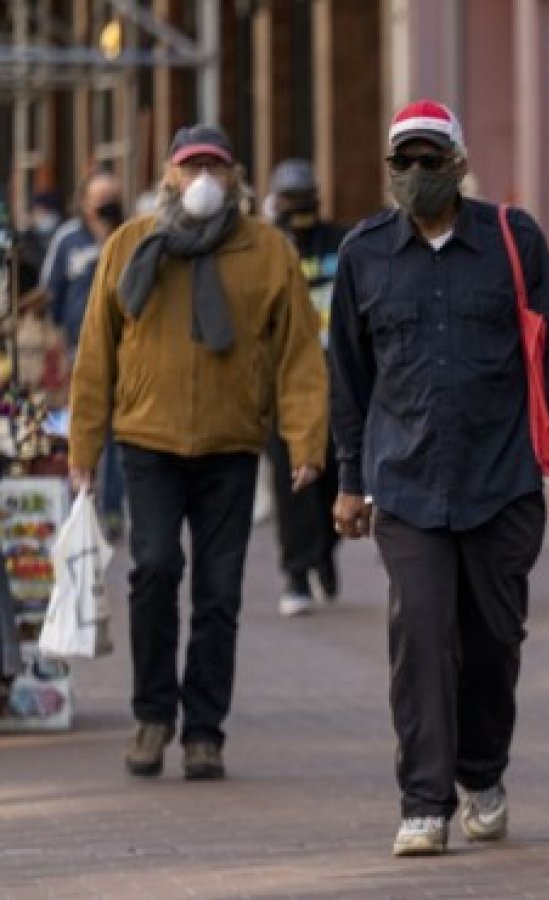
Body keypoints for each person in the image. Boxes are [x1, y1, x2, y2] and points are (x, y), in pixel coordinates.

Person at [327, 99, 549, 857]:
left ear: (459, 164)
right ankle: (424, 802)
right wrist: (349, 479)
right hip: (406, 485)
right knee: (421, 637)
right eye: (403, 162)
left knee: (491, 642)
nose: (416, 174)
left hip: (501, 482)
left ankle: (482, 773)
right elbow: (347, 378)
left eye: (430, 160)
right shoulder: (363, 254)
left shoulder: (513, 238)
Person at [68, 124, 329, 781]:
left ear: (234, 177)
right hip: (148, 441)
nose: (203, 178)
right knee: (154, 570)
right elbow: (96, 351)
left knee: (218, 593)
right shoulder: (131, 244)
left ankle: (205, 731)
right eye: (192, 166)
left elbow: (299, 352)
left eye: (214, 166)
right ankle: (153, 716)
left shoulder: (265, 250)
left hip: (230, 445)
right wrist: (84, 445)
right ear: (170, 176)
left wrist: (306, 439)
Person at [262, 158, 347, 617]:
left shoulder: (340, 244)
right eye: (289, 201)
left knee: (334, 474)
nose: (298, 210)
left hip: (335, 379)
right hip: (285, 383)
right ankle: (296, 573)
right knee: (291, 480)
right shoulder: (267, 249)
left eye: (304, 200)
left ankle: (325, 551)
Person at [36, 169, 128, 536]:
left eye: (112, 199)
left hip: (124, 352)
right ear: (85, 202)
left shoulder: (128, 236)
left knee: (118, 434)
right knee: (83, 427)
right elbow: (49, 293)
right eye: (100, 200)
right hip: (78, 352)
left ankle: (112, 509)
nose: (106, 206)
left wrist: (109, 236)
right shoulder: (68, 238)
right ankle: (81, 502)